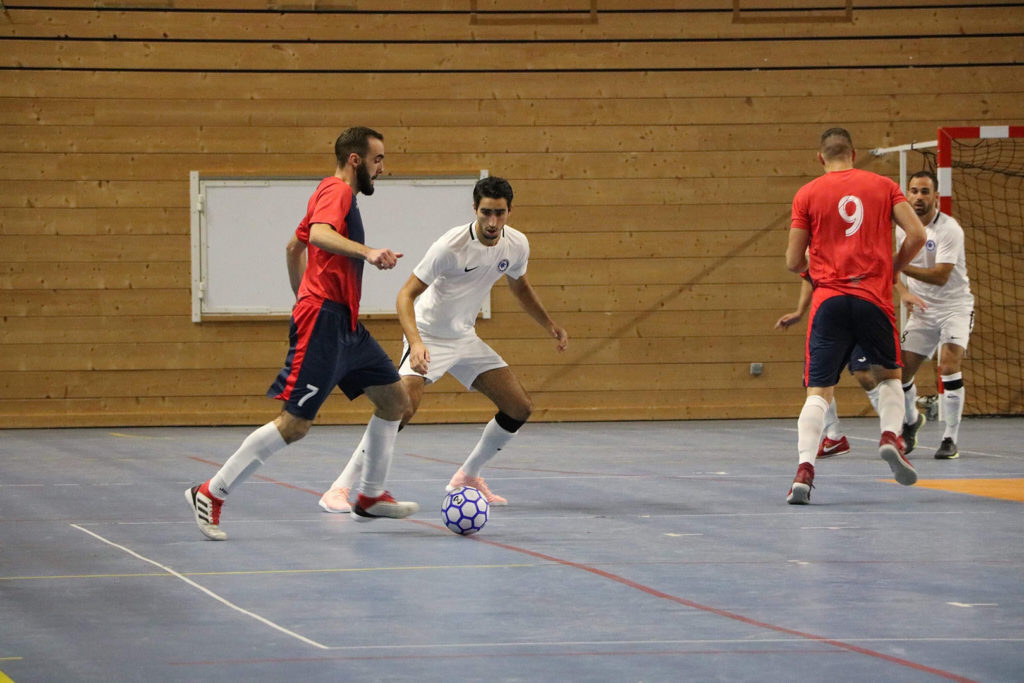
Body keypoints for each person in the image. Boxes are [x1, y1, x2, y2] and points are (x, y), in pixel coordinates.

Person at [185, 126, 419, 540]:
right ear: (355, 160)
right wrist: (366, 253)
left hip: (343, 322)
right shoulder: (339, 192)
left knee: (395, 401)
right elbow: (317, 236)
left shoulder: (327, 193)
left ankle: (368, 496)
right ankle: (210, 492)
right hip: (325, 323)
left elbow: (294, 248)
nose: (383, 168)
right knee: (294, 425)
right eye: (378, 159)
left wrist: (302, 296)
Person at [317, 176, 568, 512]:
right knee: (401, 409)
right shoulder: (450, 246)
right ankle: (339, 487)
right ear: (475, 210)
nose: (493, 222)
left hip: (465, 337)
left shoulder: (517, 245)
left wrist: (549, 324)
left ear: (510, 211)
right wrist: (417, 343)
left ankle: (467, 476)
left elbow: (519, 285)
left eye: (500, 214)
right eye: (486, 213)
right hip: (428, 334)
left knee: (519, 407)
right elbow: (405, 296)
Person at [784, 127, 926, 504]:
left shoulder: (808, 194)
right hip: (873, 298)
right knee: (891, 376)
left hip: (829, 300)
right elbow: (917, 234)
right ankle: (889, 436)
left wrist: (816, 273)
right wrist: (892, 269)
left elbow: (792, 261)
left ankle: (803, 472)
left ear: (820, 157)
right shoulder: (883, 186)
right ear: (854, 152)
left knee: (818, 392)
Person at [895, 170, 974, 460]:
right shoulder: (901, 228)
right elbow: (891, 273)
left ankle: (949, 439)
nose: (918, 197)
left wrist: (898, 266)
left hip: (954, 307)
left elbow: (941, 276)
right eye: (914, 191)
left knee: (949, 366)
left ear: (935, 196)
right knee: (900, 372)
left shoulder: (949, 229)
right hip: (923, 310)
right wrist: (904, 293)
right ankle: (911, 422)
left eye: (924, 191)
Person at [775, 274, 880, 459]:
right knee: (813, 381)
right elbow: (807, 274)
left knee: (864, 374)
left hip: (861, 313)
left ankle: (896, 429)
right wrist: (800, 311)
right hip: (829, 319)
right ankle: (835, 436)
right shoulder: (815, 249)